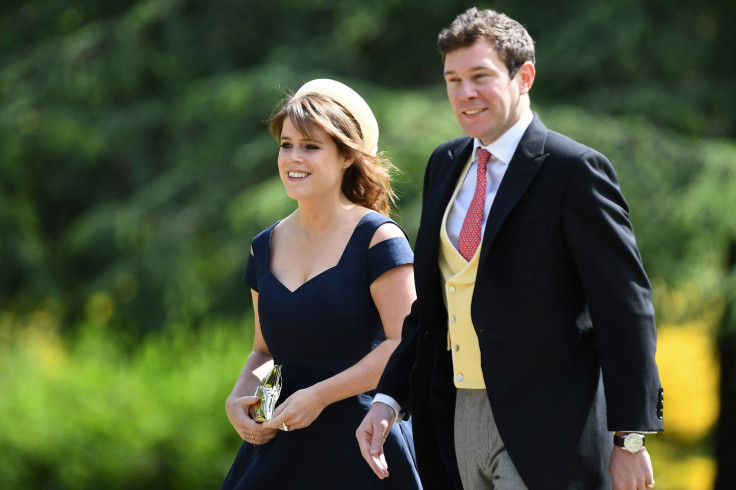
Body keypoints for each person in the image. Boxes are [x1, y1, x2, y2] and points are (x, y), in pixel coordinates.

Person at [357, 8, 664, 490]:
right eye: (452, 79)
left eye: (480, 77)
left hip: (549, 427)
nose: (465, 93)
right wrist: (388, 399)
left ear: (525, 77)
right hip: (453, 415)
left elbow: (625, 310)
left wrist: (630, 440)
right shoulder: (446, 163)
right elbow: (432, 309)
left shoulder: (574, 171)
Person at [221, 79, 423, 490]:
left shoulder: (379, 239)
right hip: (281, 447)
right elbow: (264, 350)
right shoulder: (264, 246)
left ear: (347, 156)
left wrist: (320, 395)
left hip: (364, 445)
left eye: (311, 146)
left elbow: (406, 344)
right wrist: (239, 397)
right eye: (286, 144)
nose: (294, 157)